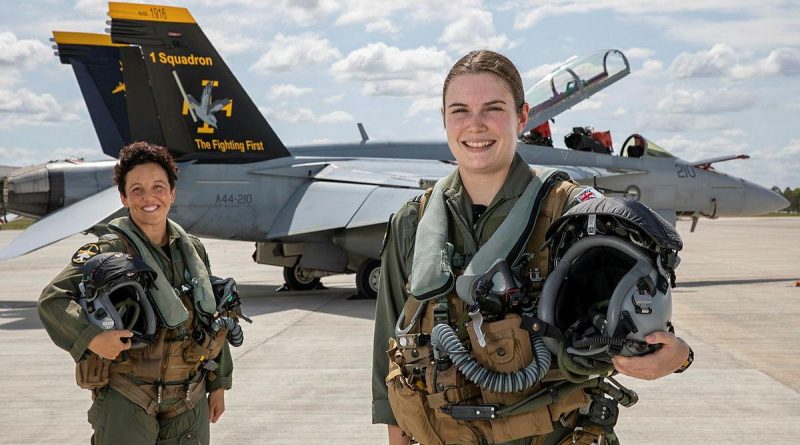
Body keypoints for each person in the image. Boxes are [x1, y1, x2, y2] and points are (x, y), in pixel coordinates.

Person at [371, 50, 692, 445]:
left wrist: (678, 355)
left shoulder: (574, 214)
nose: (475, 124)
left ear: (522, 117)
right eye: (459, 110)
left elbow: (646, 318)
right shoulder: (412, 223)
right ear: (443, 119)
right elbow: (389, 344)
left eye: (493, 108)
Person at [39, 142, 233, 445]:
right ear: (124, 198)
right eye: (137, 190)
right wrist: (91, 337)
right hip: (128, 395)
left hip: (189, 397)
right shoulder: (107, 250)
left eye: (158, 187)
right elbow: (54, 298)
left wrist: (218, 382)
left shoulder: (192, 250)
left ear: (172, 193)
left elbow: (211, 315)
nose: (149, 198)